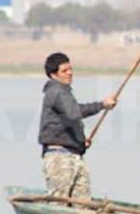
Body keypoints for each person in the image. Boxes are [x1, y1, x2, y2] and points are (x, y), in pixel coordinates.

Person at [37, 52, 117, 199]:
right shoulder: (55, 91)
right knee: (59, 204)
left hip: (74, 156)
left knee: (83, 204)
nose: (70, 73)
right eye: (65, 71)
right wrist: (102, 105)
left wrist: (80, 141)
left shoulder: (64, 93)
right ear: (53, 75)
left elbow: (67, 122)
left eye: (70, 69)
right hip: (59, 158)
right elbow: (74, 113)